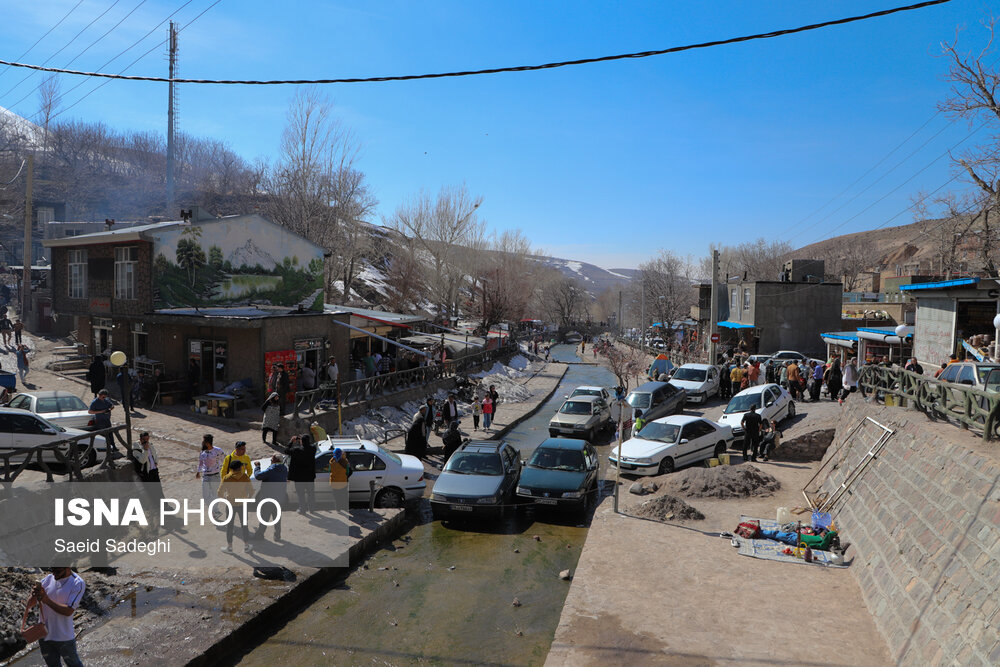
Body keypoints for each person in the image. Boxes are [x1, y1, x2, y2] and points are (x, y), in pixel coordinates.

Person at [25, 566, 86, 667]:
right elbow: (30, 604)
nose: (54, 574)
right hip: (44, 635)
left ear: (67, 568)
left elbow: (68, 611)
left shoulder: (77, 583)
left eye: (57, 571)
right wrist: (34, 595)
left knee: (74, 664)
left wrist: (46, 600)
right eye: (52, 571)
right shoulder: (48, 579)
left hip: (64, 637)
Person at [218, 460, 254, 554]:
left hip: (231, 504)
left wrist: (225, 498)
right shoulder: (245, 476)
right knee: (244, 525)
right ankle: (246, 546)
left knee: (229, 526)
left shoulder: (227, 478)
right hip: (242, 504)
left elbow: (219, 492)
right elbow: (251, 491)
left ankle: (229, 547)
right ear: (240, 467)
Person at [253, 453, 288, 541]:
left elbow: (258, 476)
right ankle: (277, 536)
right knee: (277, 517)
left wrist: (257, 467)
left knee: (264, 517)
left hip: (268, 498)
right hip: (279, 497)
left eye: (272, 459)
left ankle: (259, 535)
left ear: (276, 461)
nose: (271, 461)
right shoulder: (284, 468)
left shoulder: (272, 469)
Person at [286, 434, 317, 513]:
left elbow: (286, 450)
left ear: (301, 442)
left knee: (301, 494)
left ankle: (302, 509)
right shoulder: (313, 449)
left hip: (299, 478)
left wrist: (291, 441)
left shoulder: (296, 450)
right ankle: (312, 509)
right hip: (310, 477)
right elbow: (309, 445)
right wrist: (302, 439)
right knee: (311, 494)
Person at [196, 434, 226, 517]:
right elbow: (200, 463)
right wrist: (198, 472)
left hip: (215, 476)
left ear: (207, 442)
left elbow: (224, 461)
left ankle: (215, 511)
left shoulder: (218, 451)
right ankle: (214, 511)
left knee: (215, 494)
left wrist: (224, 471)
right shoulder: (202, 452)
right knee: (206, 495)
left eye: (204, 440)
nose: (202, 442)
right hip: (205, 476)